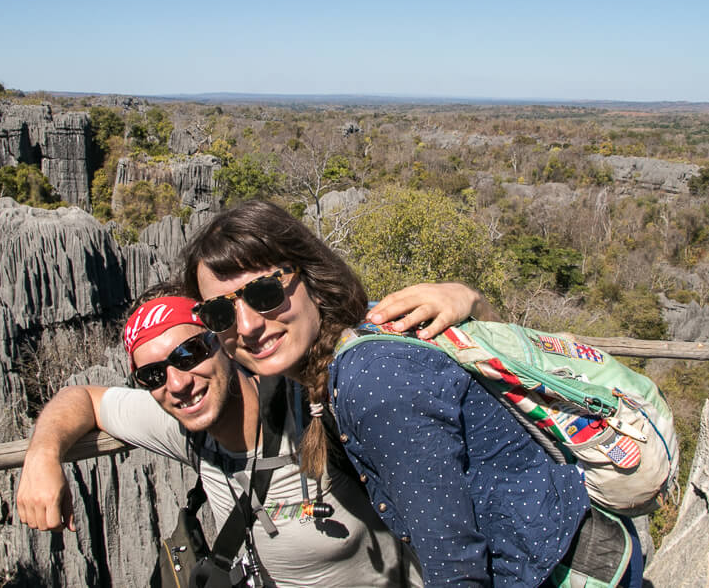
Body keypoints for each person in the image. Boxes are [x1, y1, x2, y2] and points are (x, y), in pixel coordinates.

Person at [179, 200, 592, 587]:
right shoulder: (338, 348)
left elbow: (456, 566)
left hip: (562, 571)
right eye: (220, 312)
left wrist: (473, 298)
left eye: (265, 293)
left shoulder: (371, 380)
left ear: (310, 278)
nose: (248, 325)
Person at [16, 280, 493, 587]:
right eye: (152, 375)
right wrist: (42, 454)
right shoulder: (177, 416)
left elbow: (405, 362)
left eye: (188, 355)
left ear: (222, 343)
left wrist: (468, 300)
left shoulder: (313, 399)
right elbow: (83, 400)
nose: (177, 382)